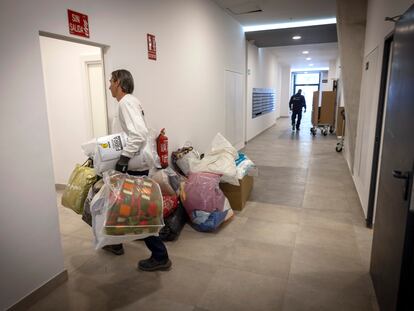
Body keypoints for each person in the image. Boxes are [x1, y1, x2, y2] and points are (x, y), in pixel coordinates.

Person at [105, 69, 172, 272]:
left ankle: (160, 255)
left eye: (111, 81)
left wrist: (124, 158)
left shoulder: (126, 102)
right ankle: (115, 241)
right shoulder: (130, 102)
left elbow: (139, 133)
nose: (109, 86)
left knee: (138, 211)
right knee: (122, 206)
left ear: (118, 82)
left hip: (134, 164)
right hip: (137, 162)